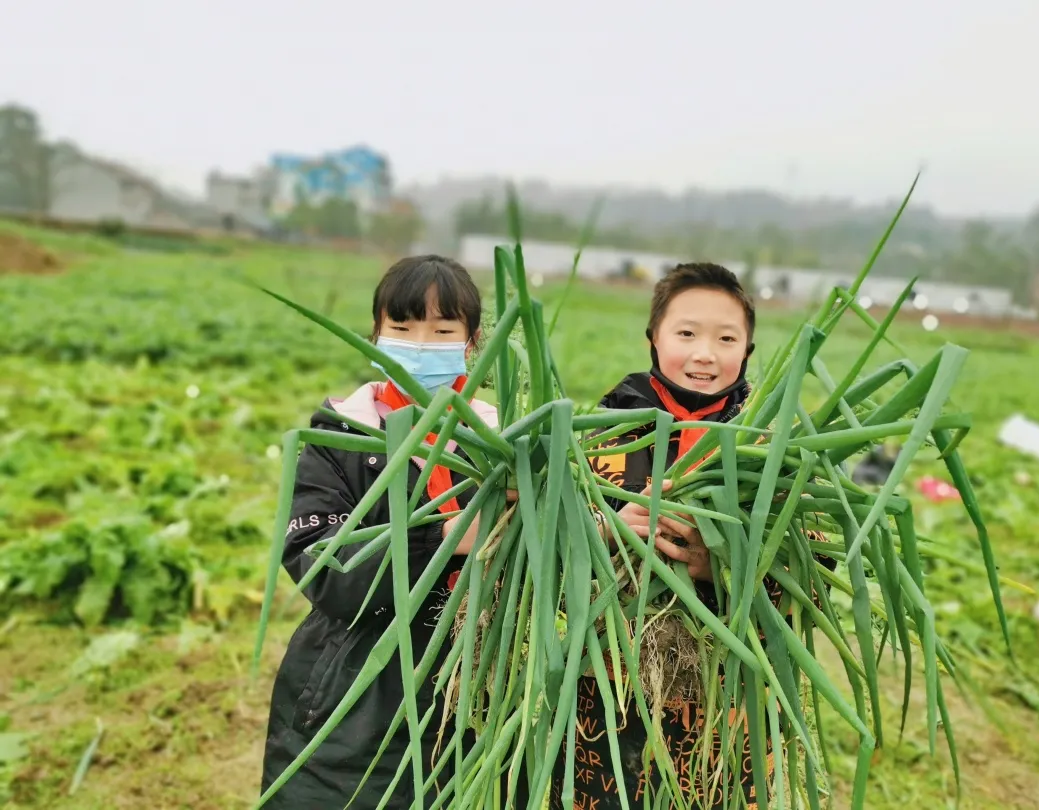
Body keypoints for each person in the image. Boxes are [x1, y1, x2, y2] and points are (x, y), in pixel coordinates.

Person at [552, 263, 829, 810]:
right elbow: (543, 574)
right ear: (653, 338)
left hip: (731, 708)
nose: (705, 353)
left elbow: (814, 580)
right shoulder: (596, 441)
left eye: (726, 338)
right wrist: (607, 532)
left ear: (747, 351)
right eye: (686, 333)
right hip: (609, 700)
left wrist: (724, 565)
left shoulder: (778, 455)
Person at [260, 255, 507, 809]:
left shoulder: (504, 444)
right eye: (402, 328)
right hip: (353, 700)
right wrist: (444, 537)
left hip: (471, 703)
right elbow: (322, 566)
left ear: (471, 344)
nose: (420, 344)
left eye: (442, 330)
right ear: (375, 334)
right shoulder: (339, 438)